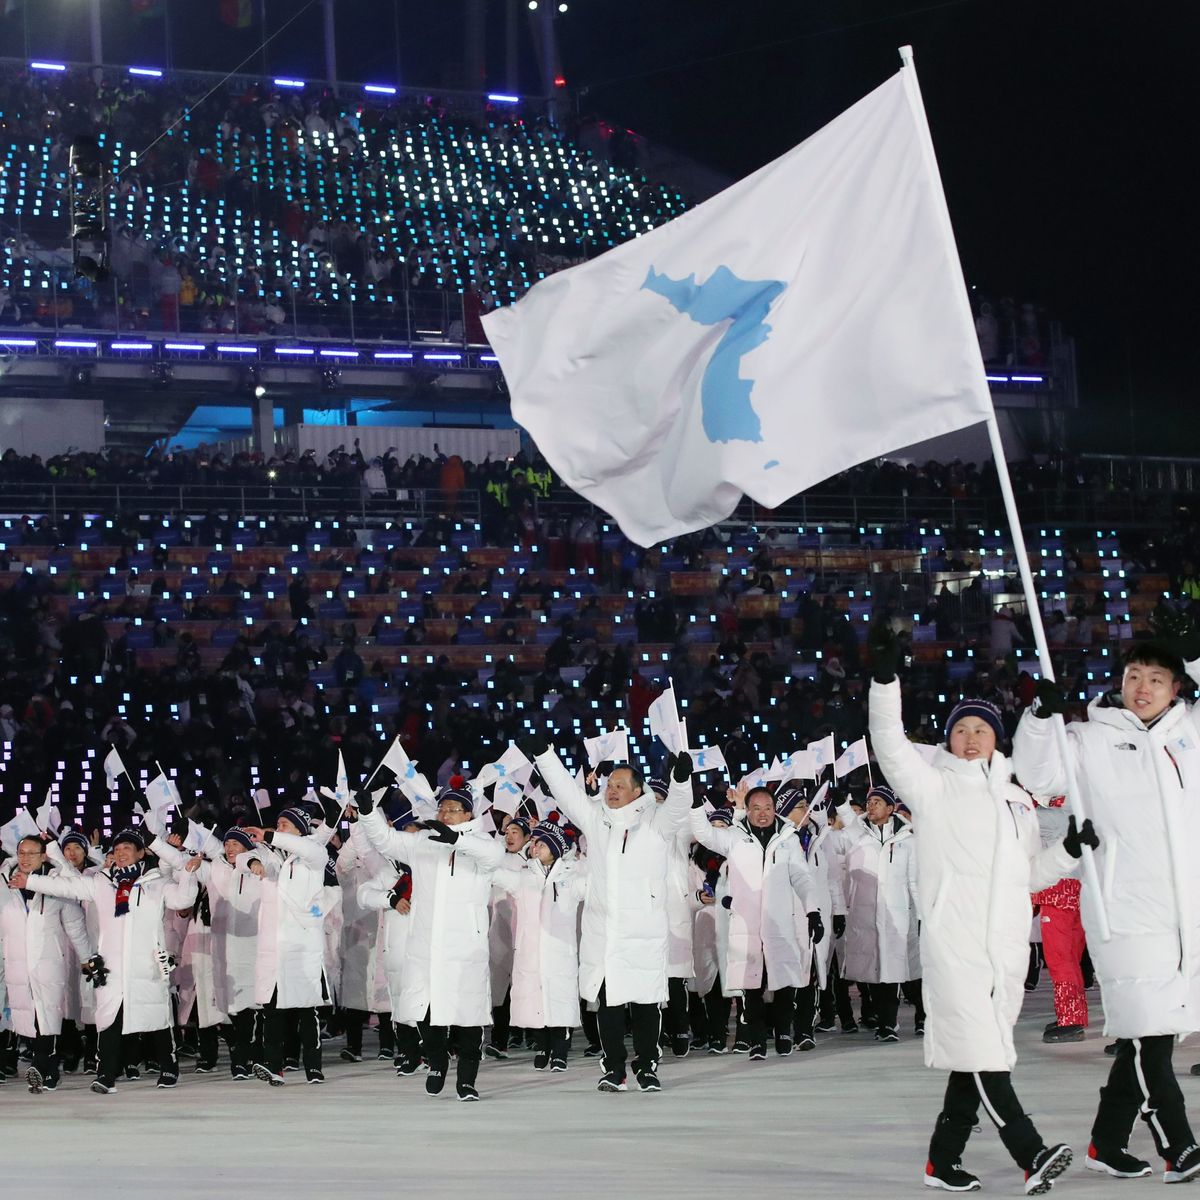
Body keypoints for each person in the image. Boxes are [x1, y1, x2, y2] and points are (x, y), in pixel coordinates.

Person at [869, 624, 1079, 1195]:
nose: (969, 737)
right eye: (960, 729)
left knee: (974, 1056)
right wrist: (886, 683)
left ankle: (943, 1160)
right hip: (955, 941)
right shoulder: (931, 786)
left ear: (996, 738)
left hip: (1004, 948)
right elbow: (889, 745)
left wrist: (1067, 852)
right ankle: (1031, 1154)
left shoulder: (1017, 802)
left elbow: (1028, 875)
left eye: (980, 729)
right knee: (986, 1055)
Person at [1013, 636, 1200, 1183]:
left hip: (1184, 915)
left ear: (1176, 689)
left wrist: (1193, 656)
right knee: (1146, 1032)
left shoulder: (1189, 735)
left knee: (1157, 1035)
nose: (1142, 687)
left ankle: (1106, 1143)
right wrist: (1040, 717)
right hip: (1122, 910)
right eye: (1134, 675)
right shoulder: (1088, 738)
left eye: (1157, 679)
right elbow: (1040, 774)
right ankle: (1179, 1145)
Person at [521, 737, 692, 1093]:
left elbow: (678, 807)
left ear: (637, 791)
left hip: (642, 933)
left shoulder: (655, 825)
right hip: (604, 932)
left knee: (646, 1006)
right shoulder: (595, 820)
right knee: (608, 1006)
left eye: (620, 786)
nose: (611, 790)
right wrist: (544, 755)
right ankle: (614, 1068)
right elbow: (566, 791)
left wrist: (681, 779)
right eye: (609, 784)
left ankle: (647, 1066)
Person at [10, 826, 198, 1094]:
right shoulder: (102, 882)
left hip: (146, 964)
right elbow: (68, 886)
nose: (121, 854)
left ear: (140, 853)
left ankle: (169, 1067)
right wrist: (29, 882)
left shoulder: (156, 884)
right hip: (111, 965)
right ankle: (105, 1075)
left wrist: (189, 873)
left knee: (157, 1017)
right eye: (117, 849)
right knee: (109, 1020)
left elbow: (184, 899)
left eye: (127, 849)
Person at [354, 784, 503, 1101]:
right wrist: (368, 813)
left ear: (467, 814)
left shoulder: (482, 843)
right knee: (423, 1010)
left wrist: (456, 840)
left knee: (467, 1018)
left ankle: (467, 1080)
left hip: (464, 947)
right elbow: (387, 840)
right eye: (442, 808)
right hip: (424, 944)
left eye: (452, 809)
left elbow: (492, 857)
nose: (445, 813)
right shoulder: (422, 841)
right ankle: (437, 1061)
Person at [689, 783, 822, 1061]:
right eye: (756, 808)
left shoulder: (788, 838)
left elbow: (801, 877)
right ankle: (757, 1041)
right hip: (747, 925)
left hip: (779, 922)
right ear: (746, 810)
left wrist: (813, 911)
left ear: (775, 810)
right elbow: (703, 833)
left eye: (768, 808)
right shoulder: (734, 837)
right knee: (752, 985)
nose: (763, 814)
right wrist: (692, 803)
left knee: (784, 982)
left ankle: (784, 1033)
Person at [242, 807, 337, 1087]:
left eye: (285, 824)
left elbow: (306, 848)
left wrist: (271, 836)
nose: (279, 828)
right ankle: (274, 1067)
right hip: (275, 949)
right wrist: (252, 863)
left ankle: (314, 1068)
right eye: (277, 824)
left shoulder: (315, 855)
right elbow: (244, 856)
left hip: (302, 946)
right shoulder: (274, 858)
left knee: (307, 1012)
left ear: (299, 829)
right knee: (273, 1013)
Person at [488, 821, 586, 1070]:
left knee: (560, 1003)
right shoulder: (524, 877)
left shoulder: (571, 877)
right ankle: (543, 1047)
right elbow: (495, 873)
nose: (535, 848)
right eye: (534, 843)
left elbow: (597, 882)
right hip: (531, 952)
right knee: (536, 1003)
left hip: (559, 952)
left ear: (554, 848)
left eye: (541, 844)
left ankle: (560, 1053)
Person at [0, 836, 93, 1094]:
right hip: (17, 963)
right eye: (21, 852)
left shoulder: (56, 884)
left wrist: (87, 958)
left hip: (48, 961)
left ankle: (44, 1067)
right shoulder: (4, 883)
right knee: (27, 1016)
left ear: (44, 856)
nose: (25, 858)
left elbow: (75, 925)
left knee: (47, 1016)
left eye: (32, 853)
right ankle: (45, 1067)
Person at [839, 784, 919, 1043]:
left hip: (897, 915)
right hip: (866, 914)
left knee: (898, 971)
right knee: (875, 971)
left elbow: (914, 880)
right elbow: (847, 823)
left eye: (877, 802)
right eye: (869, 802)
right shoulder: (859, 834)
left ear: (890, 808)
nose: (871, 806)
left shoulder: (908, 840)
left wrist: (922, 916)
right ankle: (885, 1024)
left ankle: (906, 1019)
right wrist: (841, 802)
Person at [180, 827, 263, 1079]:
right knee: (231, 1008)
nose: (229, 848)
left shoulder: (261, 871)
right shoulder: (216, 869)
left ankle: (251, 1058)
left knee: (251, 1008)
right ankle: (240, 1060)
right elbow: (180, 863)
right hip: (223, 951)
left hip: (252, 949)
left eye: (236, 844)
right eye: (227, 844)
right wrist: (182, 858)